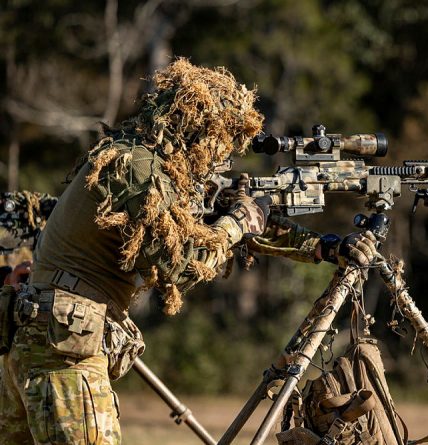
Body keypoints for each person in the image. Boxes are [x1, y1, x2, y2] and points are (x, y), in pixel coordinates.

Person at [0, 58, 377, 445]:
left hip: (43, 339)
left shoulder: (142, 161)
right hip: (64, 350)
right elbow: (184, 264)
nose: (223, 154)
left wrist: (323, 247)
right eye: (221, 138)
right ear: (198, 127)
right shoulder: (138, 169)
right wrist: (237, 223)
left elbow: (228, 221)